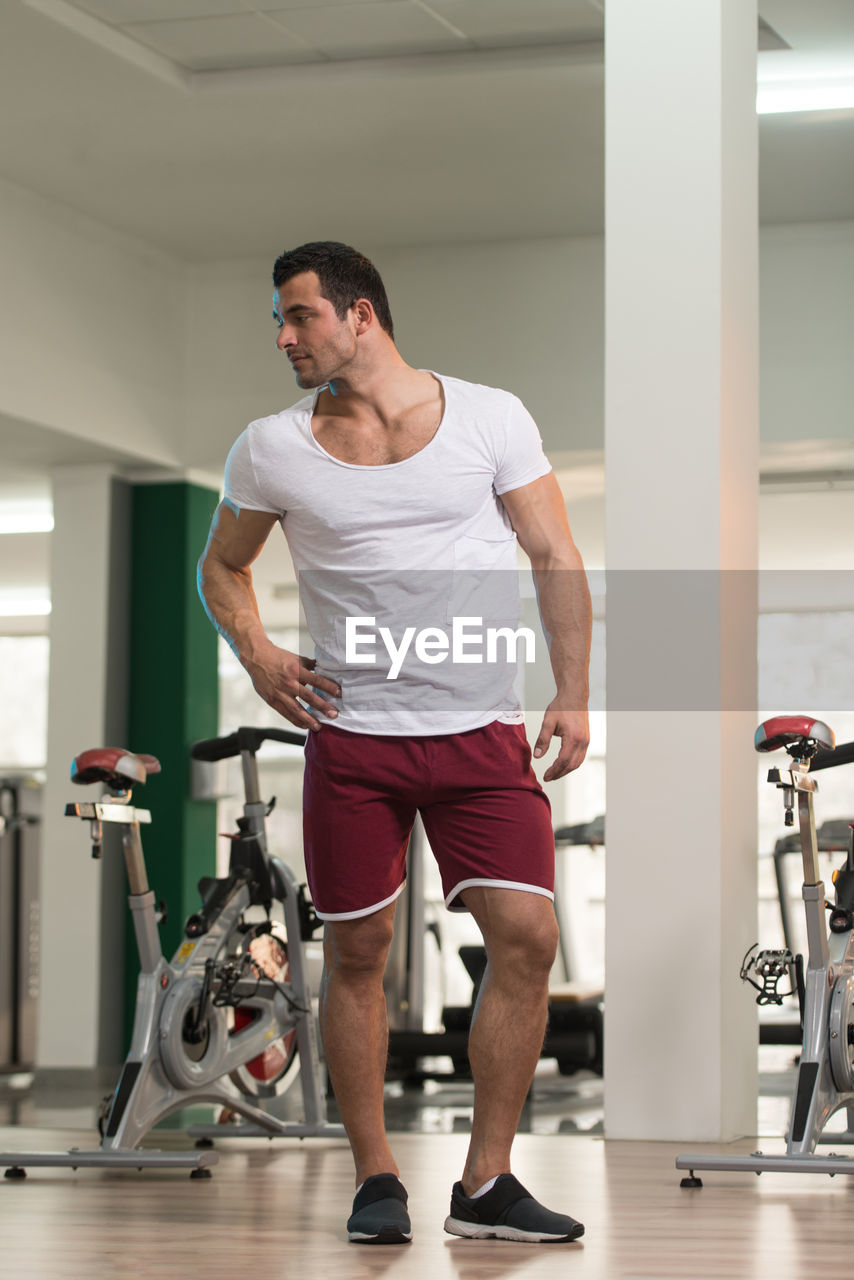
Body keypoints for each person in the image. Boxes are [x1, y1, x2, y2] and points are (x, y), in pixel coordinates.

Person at [198, 241, 592, 1245]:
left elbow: (552, 553)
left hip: (479, 736)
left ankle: (486, 1179)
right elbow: (223, 569)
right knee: (362, 950)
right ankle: (376, 1176)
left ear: (358, 314)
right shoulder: (270, 446)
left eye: (299, 316)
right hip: (353, 737)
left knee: (527, 937)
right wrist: (256, 652)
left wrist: (574, 692)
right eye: (277, 322)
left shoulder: (489, 418)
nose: (283, 338)